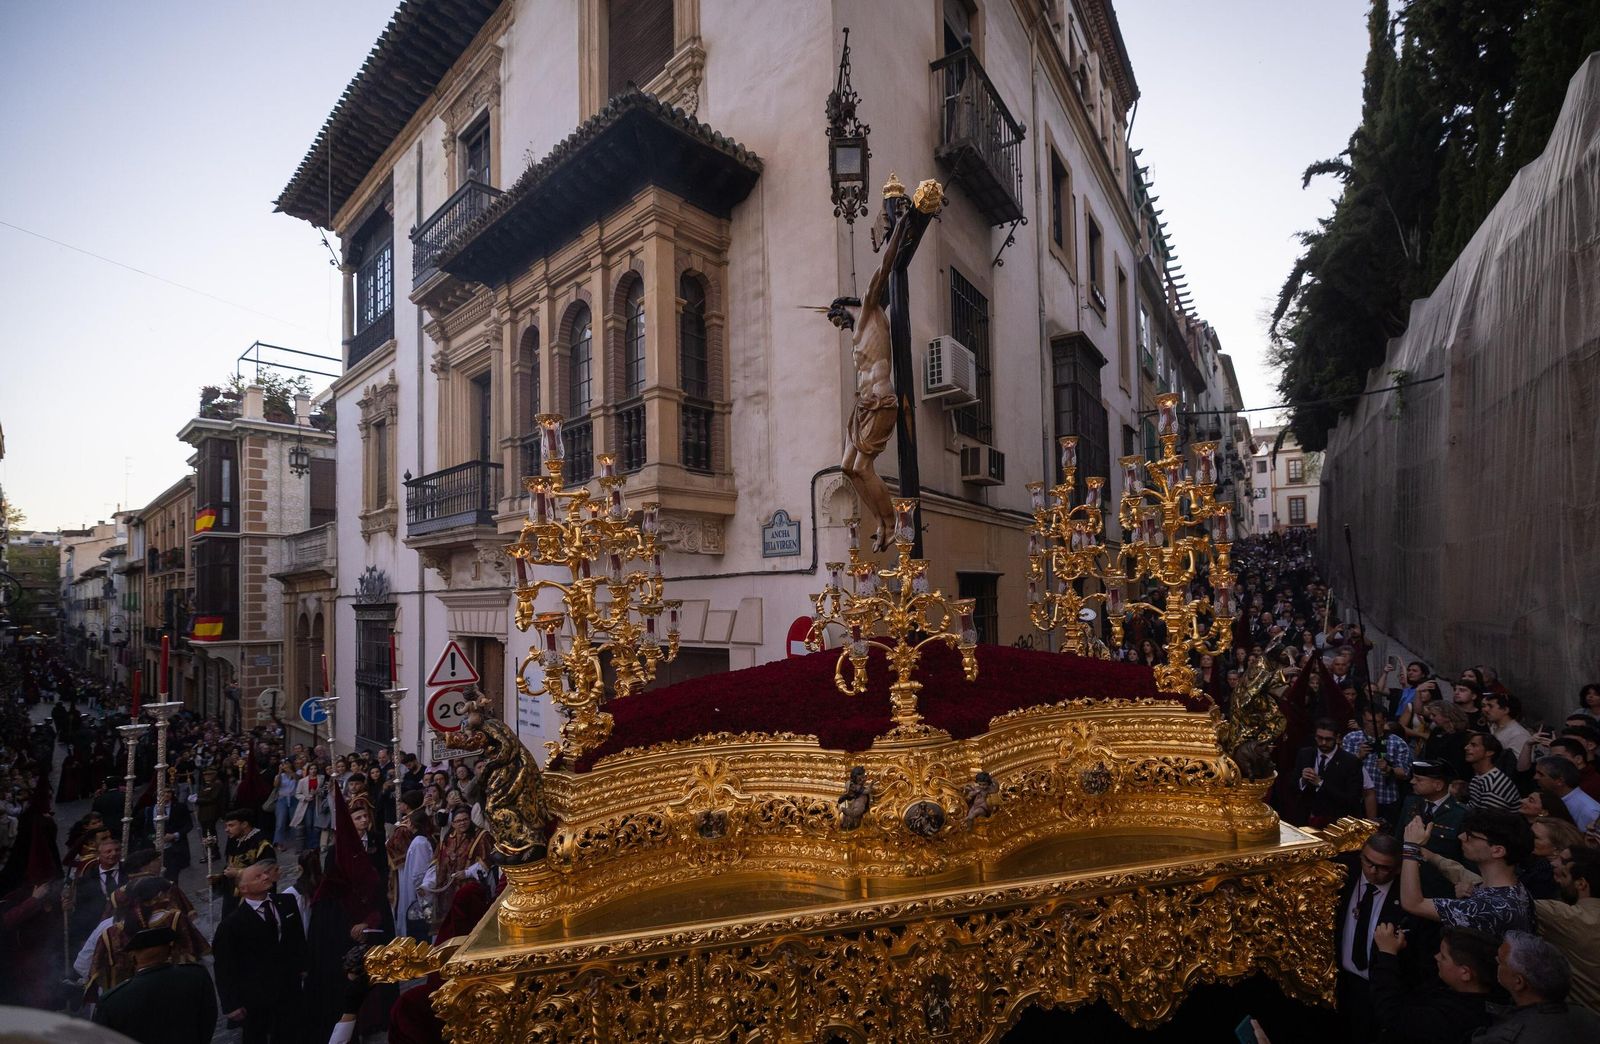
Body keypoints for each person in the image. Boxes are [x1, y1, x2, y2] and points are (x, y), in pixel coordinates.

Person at [212, 860, 306, 1044]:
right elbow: (224, 966)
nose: (265, 877)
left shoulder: (285, 902)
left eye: (264, 873)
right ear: (244, 888)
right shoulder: (232, 924)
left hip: (289, 987)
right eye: (258, 876)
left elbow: (297, 937)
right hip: (256, 996)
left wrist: (303, 965)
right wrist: (231, 1003)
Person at [1401, 808, 1533, 939]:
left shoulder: (1492, 908)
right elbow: (1466, 876)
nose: (1461, 837)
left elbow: (1413, 904)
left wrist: (1410, 846)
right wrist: (1429, 855)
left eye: (1470, 835)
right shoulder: (1516, 889)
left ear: (1497, 851)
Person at [92, 916, 217, 1044]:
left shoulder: (112, 1001)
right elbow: (208, 1019)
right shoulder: (196, 976)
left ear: (133, 958)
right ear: (169, 952)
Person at [1334, 833, 1408, 1043]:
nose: (1373, 871)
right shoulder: (1343, 876)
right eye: (1368, 862)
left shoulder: (1406, 896)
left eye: (1384, 867)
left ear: (1398, 868)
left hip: (1379, 991)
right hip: (1342, 983)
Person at [1367, 924, 1494, 1044]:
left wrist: (1387, 954)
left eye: (1444, 957)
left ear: (1465, 973)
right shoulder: (1461, 991)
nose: (1436, 957)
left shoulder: (1453, 1018)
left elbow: (1393, 1015)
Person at [1471, 930, 1600, 1041]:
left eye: (1500, 961)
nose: (1496, 962)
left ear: (1518, 982)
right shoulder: (1588, 1016)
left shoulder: (1505, 1037)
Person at [1391, 760, 1465, 897]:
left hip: (1440, 889)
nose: (1412, 781)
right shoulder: (1411, 802)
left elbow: (1465, 858)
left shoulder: (1461, 814)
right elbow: (1398, 838)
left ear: (1438, 785)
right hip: (1407, 880)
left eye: (1419, 779)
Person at [1342, 705, 1413, 825]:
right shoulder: (1351, 738)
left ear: (1384, 721)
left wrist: (1389, 769)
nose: (1371, 725)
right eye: (1368, 721)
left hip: (1385, 798)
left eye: (1376, 722)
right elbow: (1341, 768)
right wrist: (1357, 757)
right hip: (1356, 797)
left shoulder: (1397, 743)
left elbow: (1405, 773)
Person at [1295, 718, 1364, 827]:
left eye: (1328, 739)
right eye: (1320, 738)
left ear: (1337, 738)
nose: (1323, 742)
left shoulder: (1350, 762)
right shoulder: (1305, 754)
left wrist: (1321, 784)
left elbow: (1352, 798)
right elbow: (1292, 786)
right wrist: (1302, 780)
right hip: (1306, 818)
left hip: (1335, 821)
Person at [213, 807, 275, 918]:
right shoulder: (234, 839)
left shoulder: (261, 843)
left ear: (244, 824)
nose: (226, 829)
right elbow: (231, 865)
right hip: (233, 897)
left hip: (253, 898)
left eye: (231, 825)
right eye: (226, 826)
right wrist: (219, 878)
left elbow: (268, 872)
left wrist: (239, 873)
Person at [66, 834, 122, 953]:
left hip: (123, 927)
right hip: (95, 928)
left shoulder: (128, 872)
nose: (113, 854)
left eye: (117, 850)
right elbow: (82, 909)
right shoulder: (86, 879)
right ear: (99, 855)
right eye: (108, 851)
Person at [1532, 755, 1600, 832]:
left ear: (1559, 781)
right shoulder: (1554, 798)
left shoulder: (1589, 811)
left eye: (1541, 774)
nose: (1535, 777)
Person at [396, 809, 435, 941]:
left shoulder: (420, 842)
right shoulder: (419, 841)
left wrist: (421, 898)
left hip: (419, 899)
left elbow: (419, 873)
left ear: (413, 825)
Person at [1462, 734, 1520, 812]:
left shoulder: (1494, 784)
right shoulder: (1479, 776)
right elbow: (1471, 807)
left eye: (1474, 745)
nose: (1466, 748)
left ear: (1489, 752)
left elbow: (1487, 820)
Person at [1482, 693, 1531, 762]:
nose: (1485, 709)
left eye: (1490, 706)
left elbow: (1518, 765)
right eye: (1485, 706)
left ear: (1505, 710)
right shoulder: (1492, 727)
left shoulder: (1518, 734)